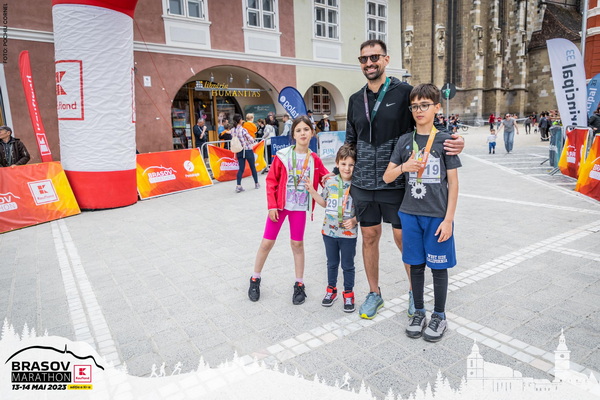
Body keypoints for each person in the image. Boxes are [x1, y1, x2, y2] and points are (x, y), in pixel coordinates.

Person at [345, 39, 464, 320]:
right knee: (369, 237)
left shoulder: (404, 92)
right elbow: (350, 140)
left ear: (386, 60)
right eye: (364, 59)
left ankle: (415, 293)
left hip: (397, 183)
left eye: (374, 57)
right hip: (363, 183)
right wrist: (342, 173)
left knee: (403, 239)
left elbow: (430, 125)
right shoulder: (355, 99)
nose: (369, 63)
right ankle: (374, 293)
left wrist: (456, 140)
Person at [383, 83, 461, 342]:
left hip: (437, 216)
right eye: (414, 106)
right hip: (410, 214)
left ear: (437, 107)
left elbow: (453, 183)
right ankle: (419, 312)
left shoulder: (445, 140)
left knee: (438, 267)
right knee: (415, 265)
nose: (419, 110)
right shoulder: (405, 141)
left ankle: (439, 315)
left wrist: (448, 220)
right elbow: (387, 176)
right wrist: (404, 167)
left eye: (424, 105)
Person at [247, 115, 329, 304]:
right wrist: (272, 206)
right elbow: (271, 181)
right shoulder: (283, 155)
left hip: (299, 208)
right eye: (298, 130)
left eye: (306, 129)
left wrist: (341, 176)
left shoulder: (314, 159)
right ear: (293, 134)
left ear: (312, 133)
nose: (302, 133)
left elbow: (326, 178)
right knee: (266, 243)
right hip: (280, 206)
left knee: (297, 245)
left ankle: (299, 284)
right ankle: (255, 279)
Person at [305, 143, 358, 312]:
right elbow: (325, 202)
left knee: (348, 265)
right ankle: (331, 290)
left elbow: (365, 208)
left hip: (348, 234)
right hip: (329, 231)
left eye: (351, 165)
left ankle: (348, 293)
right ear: (337, 163)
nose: (347, 168)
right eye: (343, 164)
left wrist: (355, 220)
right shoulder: (330, 182)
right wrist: (312, 191)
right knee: (332, 263)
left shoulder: (357, 184)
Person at [231, 114, 259, 193]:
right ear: (240, 120)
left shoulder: (233, 130)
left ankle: (238, 185)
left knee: (241, 168)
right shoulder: (243, 130)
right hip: (247, 149)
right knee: (252, 167)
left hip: (239, 150)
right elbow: (251, 139)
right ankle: (256, 183)